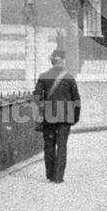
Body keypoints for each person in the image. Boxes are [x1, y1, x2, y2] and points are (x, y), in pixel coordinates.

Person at [35, 49, 80, 184]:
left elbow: (36, 98)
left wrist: (44, 106)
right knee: (62, 146)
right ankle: (59, 177)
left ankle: (50, 175)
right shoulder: (69, 77)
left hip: (49, 117)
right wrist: (75, 117)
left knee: (49, 145)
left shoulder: (43, 76)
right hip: (65, 118)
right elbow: (76, 100)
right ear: (63, 61)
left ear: (52, 61)